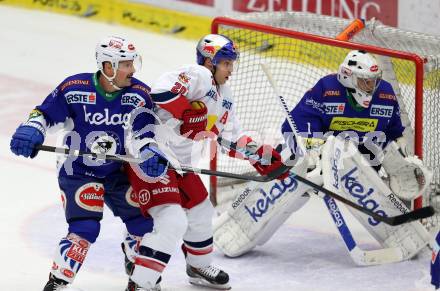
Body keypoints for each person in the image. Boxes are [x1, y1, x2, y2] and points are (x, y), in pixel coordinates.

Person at [213, 50, 431, 264]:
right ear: (348, 77)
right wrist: (313, 148)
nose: (371, 87)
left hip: (357, 156)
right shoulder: (328, 90)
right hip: (318, 153)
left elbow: (392, 133)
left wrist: (398, 160)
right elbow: (293, 125)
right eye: (365, 81)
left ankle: (401, 234)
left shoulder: (384, 94)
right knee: (290, 169)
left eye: (374, 81)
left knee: (359, 175)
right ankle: (241, 222)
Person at [124, 34, 287, 290]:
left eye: (232, 63)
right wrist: (186, 112)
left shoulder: (226, 97)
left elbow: (229, 138)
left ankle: (197, 266)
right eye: (226, 63)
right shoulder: (197, 74)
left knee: (201, 209)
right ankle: (141, 281)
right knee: (172, 220)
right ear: (210, 61)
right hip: (152, 154)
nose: (231, 69)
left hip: (181, 162)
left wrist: (262, 157)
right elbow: (160, 91)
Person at [10, 36, 168, 291]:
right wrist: (32, 127)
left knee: (144, 225)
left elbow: (143, 134)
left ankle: (137, 270)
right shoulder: (75, 88)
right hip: (79, 170)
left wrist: (149, 151)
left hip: (119, 170)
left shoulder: (139, 94)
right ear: (108, 67)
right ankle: (58, 282)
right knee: (84, 228)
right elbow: (45, 114)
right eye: (126, 64)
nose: (133, 70)